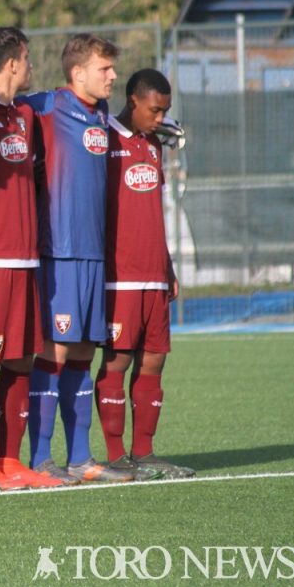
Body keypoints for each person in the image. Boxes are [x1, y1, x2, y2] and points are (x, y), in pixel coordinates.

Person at [21, 33, 133, 484]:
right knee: (56, 350)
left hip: (94, 253)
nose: (112, 76)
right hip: (60, 251)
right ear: (77, 72)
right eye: (104, 69)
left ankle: (82, 459)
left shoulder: (102, 113)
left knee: (84, 351)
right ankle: (41, 458)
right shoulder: (45, 104)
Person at [0, 28, 62, 490]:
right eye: (27, 59)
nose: (32, 67)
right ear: (13, 62)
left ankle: (10, 459)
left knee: (22, 359)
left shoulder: (24, 113)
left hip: (26, 260)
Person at [95, 69, 195, 480]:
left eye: (165, 111)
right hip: (119, 276)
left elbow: (153, 211)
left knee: (154, 361)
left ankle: (145, 452)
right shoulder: (104, 140)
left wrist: (167, 265)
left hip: (154, 273)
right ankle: (117, 456)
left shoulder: (155, 145)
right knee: (117, 361)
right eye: (155, 110)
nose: (160, 118)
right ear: (133, 100)